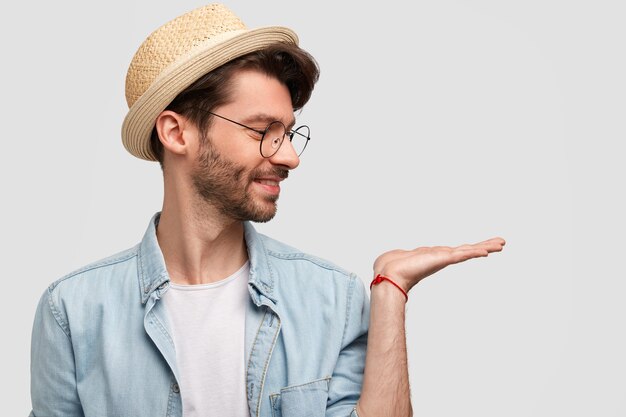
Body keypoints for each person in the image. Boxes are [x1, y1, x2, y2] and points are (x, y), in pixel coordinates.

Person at [29, 4, 505, 417]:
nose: (289, 156)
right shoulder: (73, 311)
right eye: (262, 130)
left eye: (289, 132)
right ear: (176, 133)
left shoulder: (333, 299)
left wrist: (391, 293)